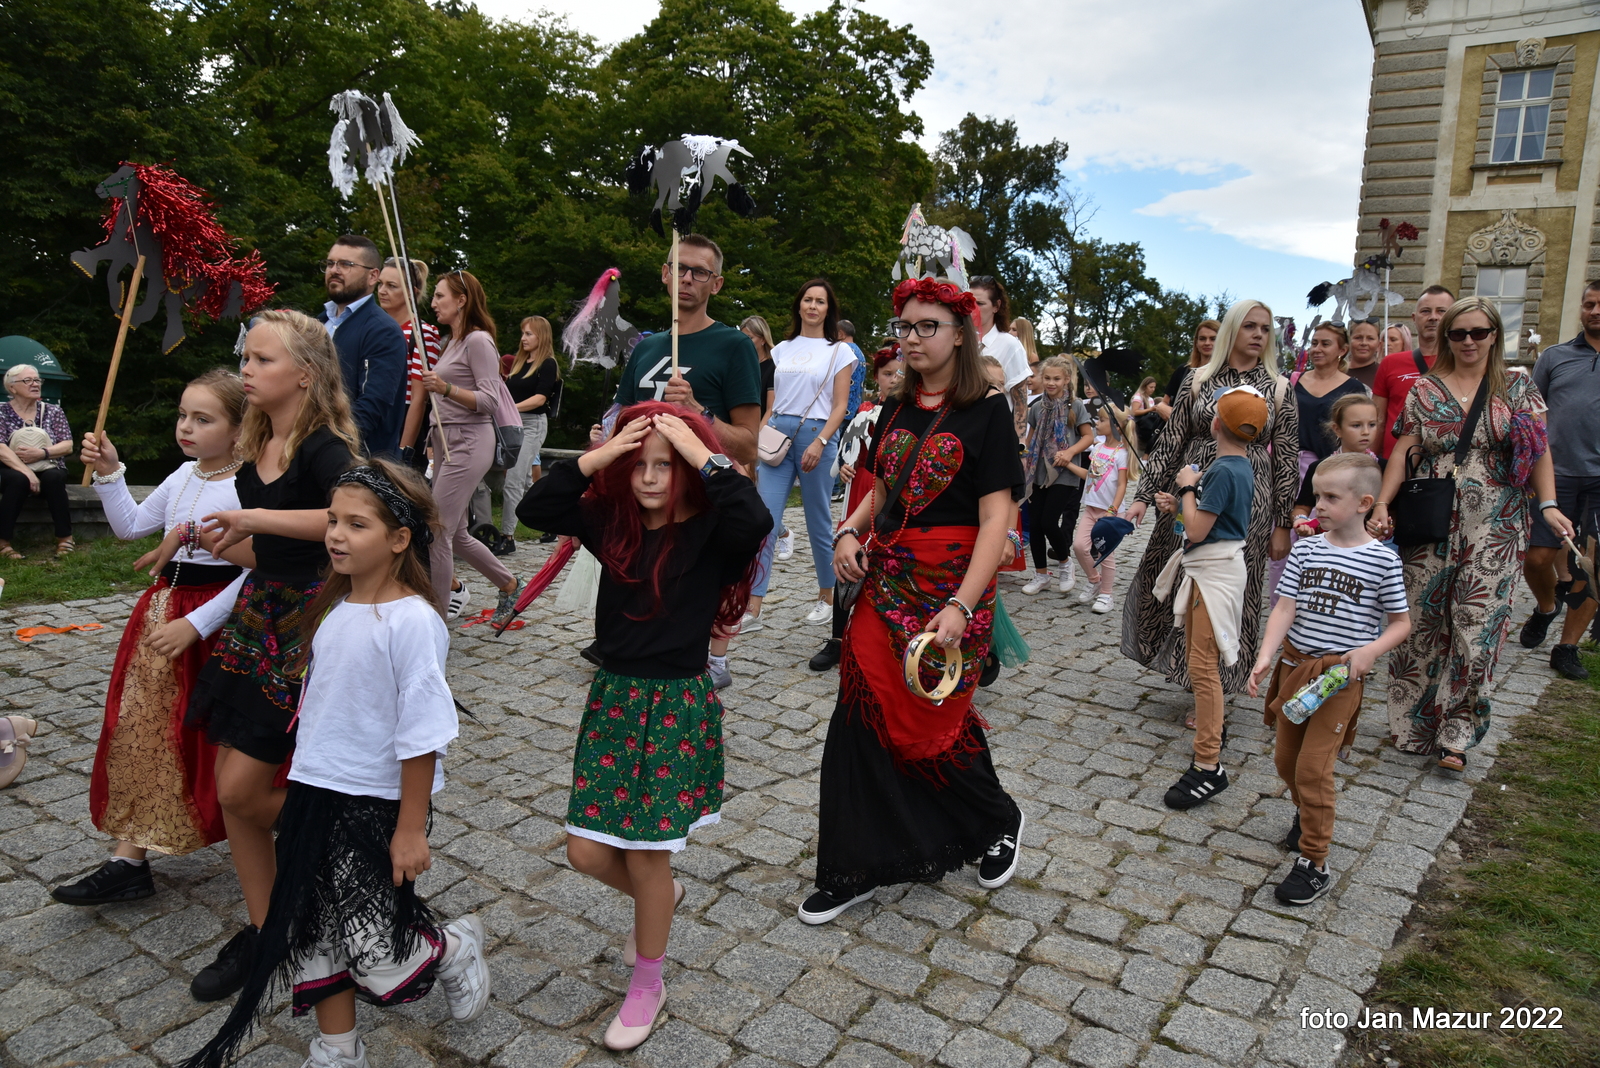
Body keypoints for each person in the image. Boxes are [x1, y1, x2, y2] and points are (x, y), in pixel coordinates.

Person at [182, 461, 490, 1068]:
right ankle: (337, 1048)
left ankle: (450, 948)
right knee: (312, 930)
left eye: (356, 524)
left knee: (376, 953)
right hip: (311, 791)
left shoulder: (413, 622)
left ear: (399, 539)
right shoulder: (332, 608)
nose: (336, 535)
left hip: (371, 803)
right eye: (332, 521)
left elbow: (422, 733)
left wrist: (409, 828)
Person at [515, 403, 768, 1051]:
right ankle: (663, 896)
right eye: (640, 466)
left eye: (665, 466)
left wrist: (701, 454)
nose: (651, 478)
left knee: (647, 854)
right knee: (586, 851)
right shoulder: (613, 526)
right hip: (614, 702)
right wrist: (600, 456)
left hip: (676, 709)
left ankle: (648, 983)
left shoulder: (711, 532)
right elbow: (536, 509)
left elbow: (755, 518)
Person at [800, 276, 1025, 926]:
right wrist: (849, 530)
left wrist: (962, 605)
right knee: (860, 713)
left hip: (953, 587)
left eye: (929, 326)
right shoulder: (894, 407)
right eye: (906, 326)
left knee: (932, 721)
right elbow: (882, 489)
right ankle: (852, 864)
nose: (914, 338)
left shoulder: (988, 411)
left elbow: (996, 518)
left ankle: (998, 819)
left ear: (960, 334)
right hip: (886, 580)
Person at [182, 309, 361, 1003]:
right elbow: (276, 552)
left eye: (262, 360)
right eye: (246, 358)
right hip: (260, 619)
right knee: (232, 787)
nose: (247, 370)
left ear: (306, 375)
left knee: (242, 789)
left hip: (311, 626)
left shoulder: (324, 447)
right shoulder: (258, 437)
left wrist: (253, 520)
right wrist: (230, 545)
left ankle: (352, 838)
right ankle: (268, 930)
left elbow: (351, 518)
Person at [52, 370, 247, 907]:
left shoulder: (248, 485)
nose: (186, 427)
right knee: (143, 726)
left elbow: (260, 572)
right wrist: (110, 473)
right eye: (183, 415)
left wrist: (200, 622)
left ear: (239, 429)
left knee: (219, 735)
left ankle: (264, 824)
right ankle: (128, 860)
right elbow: (131, 527)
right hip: (163, 611)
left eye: (203, 419)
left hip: (219, 621)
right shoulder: (183, 474)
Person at [1370, 297, 1572, 771]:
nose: (1468, 341)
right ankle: (1415, 725)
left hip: (1498, 523)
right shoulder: (1425, 388)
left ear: (1494, 335)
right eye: (1458, 333)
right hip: (1430, 518)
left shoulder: (1517, 386)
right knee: (1421, 620)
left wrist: (1548, 504)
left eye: (1478, 332)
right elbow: (1404, 449)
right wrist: (1381, 502)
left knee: (1477, 624)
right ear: (1447, 338)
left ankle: (1457, 733)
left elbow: (1539, 451)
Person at [1249, 453, 1410, 905]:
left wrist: (1370, 651)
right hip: (1294, 669)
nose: (1318, 505)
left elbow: (1401, 623)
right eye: (1317, 495)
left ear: (1364, 503)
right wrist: (1266, 655)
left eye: (1330, 497)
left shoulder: (1382, 561)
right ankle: (1307, 813)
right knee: (1286, 762)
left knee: (1313, 769)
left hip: (1338, 680)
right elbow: (1285, 606)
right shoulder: (1306, 549)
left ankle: (1315, 861)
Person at [1123, 300, 1299, 702]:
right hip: (1192, 486)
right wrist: (1144, 496)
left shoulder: (1278, 386)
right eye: (1250, 326)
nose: (1258, 335)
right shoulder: (1198, 379)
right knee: (1182, 577)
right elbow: (1171, 441)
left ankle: (1216, 687)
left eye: (1265, 328)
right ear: (1232, 330)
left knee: (1230, 590)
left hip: (1249, 497)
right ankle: (1190, 671)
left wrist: (1283, 523)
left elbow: (1287, 457)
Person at [1152, 387, 1263, 810]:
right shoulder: (1240, 465)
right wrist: (1178, 505)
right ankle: (1210, 742)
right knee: (1202, 665)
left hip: (1213, 573)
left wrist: (1186, 487)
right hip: (1215, 568)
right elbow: (1206, 521)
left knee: (1202, 668)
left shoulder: (1221, 470)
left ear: (1215, 424)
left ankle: (1208, 763)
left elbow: (1197, 532)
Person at [747, 278, 857, 628]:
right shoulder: (782, 349)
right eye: (807, 299)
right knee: (764, 522)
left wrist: (821, 442)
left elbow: (840, 406)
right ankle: (752, 607)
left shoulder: (840, 352)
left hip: (816, 436)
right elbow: (773, 401)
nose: (812, 306)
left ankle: (827, 597)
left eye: (820, 301)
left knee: (818, 522)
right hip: (778, 436)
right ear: (799, 305)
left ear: (828, 309)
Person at [419, 270, 520, 627]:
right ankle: (509, 584)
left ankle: (433, 622)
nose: (433, 302)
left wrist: (445, 388)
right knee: (457, 534)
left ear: (462, 300)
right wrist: (431, 439)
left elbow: (489, 400)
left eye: (440, 296)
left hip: (469, 442)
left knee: (436, 531)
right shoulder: (452, 342)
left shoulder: (478, 341)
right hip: (447, 442)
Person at [613, 234, 762, 467]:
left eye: (700, 272)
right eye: (679, 268)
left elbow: (748, 450)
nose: (687, 279)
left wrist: (697, 411)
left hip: (699, 485)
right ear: (666, 273)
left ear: (716, 284)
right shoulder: (644, 348)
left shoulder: (735, 346)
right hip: (640, 481)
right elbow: (620, 429)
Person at [1520, 280, 1600, 680]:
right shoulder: (1555, 356)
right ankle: (1546, 607)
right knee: (1536, 559)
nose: (1595, 311)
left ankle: (1566, 647)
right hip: (1556, 474)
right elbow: (1532, 415)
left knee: (1593, 568)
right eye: (1589, 304)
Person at [811, 345, 906, 674]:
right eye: (888, 373)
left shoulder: (911, 413)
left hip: (892, 493)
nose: (894, 379)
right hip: (861, 489)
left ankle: (881, 638)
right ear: (876, 377)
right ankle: (838, 639)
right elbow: (846, 451)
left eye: (899, 373)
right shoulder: (865, 410)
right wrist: (845, 466)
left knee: (885, 561)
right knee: (847, 556)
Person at [317, 236, 408, 457]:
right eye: (330, 263)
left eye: (346, 264)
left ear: (373, 276)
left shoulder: (383, 331)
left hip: (355, 459)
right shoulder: (318, 324)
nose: (334, 270)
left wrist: (322, 447)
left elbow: (371, 407)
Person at [1021, 356, 1093, 595]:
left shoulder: (1075, 406)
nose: (1051, 383)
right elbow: (1031, 438)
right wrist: (1024, 458)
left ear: (1066, 380)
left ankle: (1065, 562)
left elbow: (1088, 437)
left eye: (1056, 379)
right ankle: (1041, 574)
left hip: (1064, 472)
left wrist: (1070, 452)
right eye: (1047, 378)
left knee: (1049, 522)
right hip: (1038, 472)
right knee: (1036, 524)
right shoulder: (1037, 407)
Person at [490, 316, 562, 556]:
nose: (523, 338)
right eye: (523, 333)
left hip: (532, 425)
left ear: (541, 336)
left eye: (529, 334)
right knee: (526, 482)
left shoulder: (548, 364)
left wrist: (510, 408)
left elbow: (540, 399)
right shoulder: (519, 363)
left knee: (514, 479)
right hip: (512, 423)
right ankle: (551, 520)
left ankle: (507, 536)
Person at [0, 363, 75, 559]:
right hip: (11, 468)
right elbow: (0, 448)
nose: (35, 384)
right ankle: (3, 542)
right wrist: (27, 472)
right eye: (28, 380)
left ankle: (65, 538)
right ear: (12, 387)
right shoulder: (1, 411)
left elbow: (67, 445)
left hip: (48, 464)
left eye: (37, 380)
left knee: (53, 478)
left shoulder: (53, 411)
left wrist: (42, 453)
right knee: (17, 480)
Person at [1372, 286, 1453, 458]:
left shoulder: (1461, 364)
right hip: (1396, 462)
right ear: (1414, 318)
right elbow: (1378, 421)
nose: (1433, 317)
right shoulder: (1391, 363)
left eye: (1441, 311)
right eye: (1426, 311)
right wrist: (1370, 460)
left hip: (1443, 464)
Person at [380, 257, 442, 472]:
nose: (382, 291)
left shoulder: (423, 333)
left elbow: (418, 399)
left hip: (402, 422)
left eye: (391, 285)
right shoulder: (376, 329)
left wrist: (403, 451)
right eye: (380, 284)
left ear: (410, 292)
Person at [1070, 403, 1132, 615]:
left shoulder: (1122, 454)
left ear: (1116, 425)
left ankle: (1106, 595)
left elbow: (1122, 484)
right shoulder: (1097, 449)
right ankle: (1094, 580)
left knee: (1106, 555)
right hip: (1091, 509)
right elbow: (1090, 476)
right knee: (1079, 546)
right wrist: (1068, 464)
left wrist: (1113, 509)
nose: (1097, 423)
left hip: (1110, 514)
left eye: (1102, 420)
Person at [740, 315, 792, 565]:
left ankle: (780, 532)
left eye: (749, 337)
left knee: (756, 493)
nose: (745, 342)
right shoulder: (743, 364)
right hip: (740, 432)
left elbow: (771, 408)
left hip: (759, 435)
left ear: (762, 339)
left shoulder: (772, 367)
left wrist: (754, 436)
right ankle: (775, 532)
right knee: (744, 490)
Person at [1290, 395, 1381, 537]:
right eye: (1356, 425)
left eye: (1372, 424)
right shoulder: (1319, 468)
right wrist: (1301, 520)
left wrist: (1383, 528)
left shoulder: (1384, 468)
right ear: (1337, 429)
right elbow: (1302, 507)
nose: (1366, 432)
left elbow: (1391, 514)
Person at [1293, 323, 1368, 473]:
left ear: (1342, 350)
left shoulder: (1353, 388)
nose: (1317, 349)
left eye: (1325, 344)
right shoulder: (1292, 381)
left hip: (1334, 469)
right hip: (1290, 469)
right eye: (1314, 343)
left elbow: (1359, 431)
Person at [970, 276, 1031, 441]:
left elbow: (1020, 402)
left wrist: (1020, 445)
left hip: (994, 435)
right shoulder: (958, 340)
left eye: (980, 303)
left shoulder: (1010, 345)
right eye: (969, 302)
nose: (973, 308)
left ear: (996, 306)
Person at [1154, 320, 1221, 421]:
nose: (1207, 343)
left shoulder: (1227, 374)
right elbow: (1164, 402)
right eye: (1202, 339)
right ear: (1196, 343)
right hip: (1178, 428)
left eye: (1213, 339)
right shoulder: (1184, 370)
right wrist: (1162, 408)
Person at [1347, 320, 1382, 390]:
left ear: (1379, 345)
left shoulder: (1383, 373)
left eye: (1370, 338)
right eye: (1358, 338)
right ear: (1348, 342)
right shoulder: (1335, 372)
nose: (1364, 343)